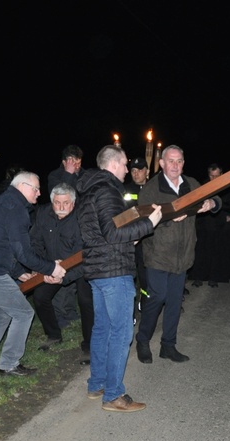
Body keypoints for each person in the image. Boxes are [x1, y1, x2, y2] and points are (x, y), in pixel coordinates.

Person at [76, 144, 162, 412]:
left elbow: (103, 234)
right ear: (113, 163)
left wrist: (132, 238)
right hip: (114, 272)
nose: (127, 169)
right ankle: (113, 395)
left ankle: (97, 384)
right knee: (122, 332)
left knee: (101, 329)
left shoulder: (89, 190)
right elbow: (113, 233)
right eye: (125, 164)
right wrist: (150, 223)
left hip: (99, 270)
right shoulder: (107, 190)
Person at [0, 171, 67, 376]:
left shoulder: (4, 202)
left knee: (1, 314)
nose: (39, 193)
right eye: (35, 189)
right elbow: (23, 252)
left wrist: (19, 273)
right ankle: (9, 364)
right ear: (22, 186)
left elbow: (5, 246)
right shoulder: (16, 209)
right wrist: (52, 268)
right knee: (24, 313)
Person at [135, 145, 221, 364]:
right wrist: (167, 217)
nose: (175, 165)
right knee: (157, 297)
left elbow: (217, 199)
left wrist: (211, 203)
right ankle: (143, 340)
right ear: (162, 163)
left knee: (174, 301)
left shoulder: (191, 184)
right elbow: (143, 221)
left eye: (179, 161)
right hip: (158, 254)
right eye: (171, 161)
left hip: (183, 254)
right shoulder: (151, 188)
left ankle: (168, 345)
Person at [29, 183, 93, 353]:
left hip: (80, 267)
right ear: (51, 202)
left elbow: (82, 254)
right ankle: (53, 335)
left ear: (73, 202)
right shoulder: (43, 215)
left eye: (66, 203)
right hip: (52, 267)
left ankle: (89, 343)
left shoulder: (82, 219)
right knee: (40, 297)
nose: (61, 207)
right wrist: (44, 267)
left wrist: (63, 276)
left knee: (86, 301)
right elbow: (35, 242)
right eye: (57, 203)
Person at [46, 145, 84, 326]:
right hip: (59, 228)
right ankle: (59, 315)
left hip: (77, 227)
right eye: (71, 162)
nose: (75, 166)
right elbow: (61, 195)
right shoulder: (55, 176)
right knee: (61, 267)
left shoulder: (83, 175)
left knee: (74, 269)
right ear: (64, 162)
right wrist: (68, 174)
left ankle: (70, 311)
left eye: (77, 162)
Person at [123, 157, 150, 323]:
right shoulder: (125, 190)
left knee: (146, 275)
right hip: (132, 239)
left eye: (139, 170)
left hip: (149, 239)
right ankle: (130, 312)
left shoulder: (153, 188)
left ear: (146, 171)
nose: (136, 173)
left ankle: (145, 302)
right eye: (133, 170)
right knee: (130, 277)